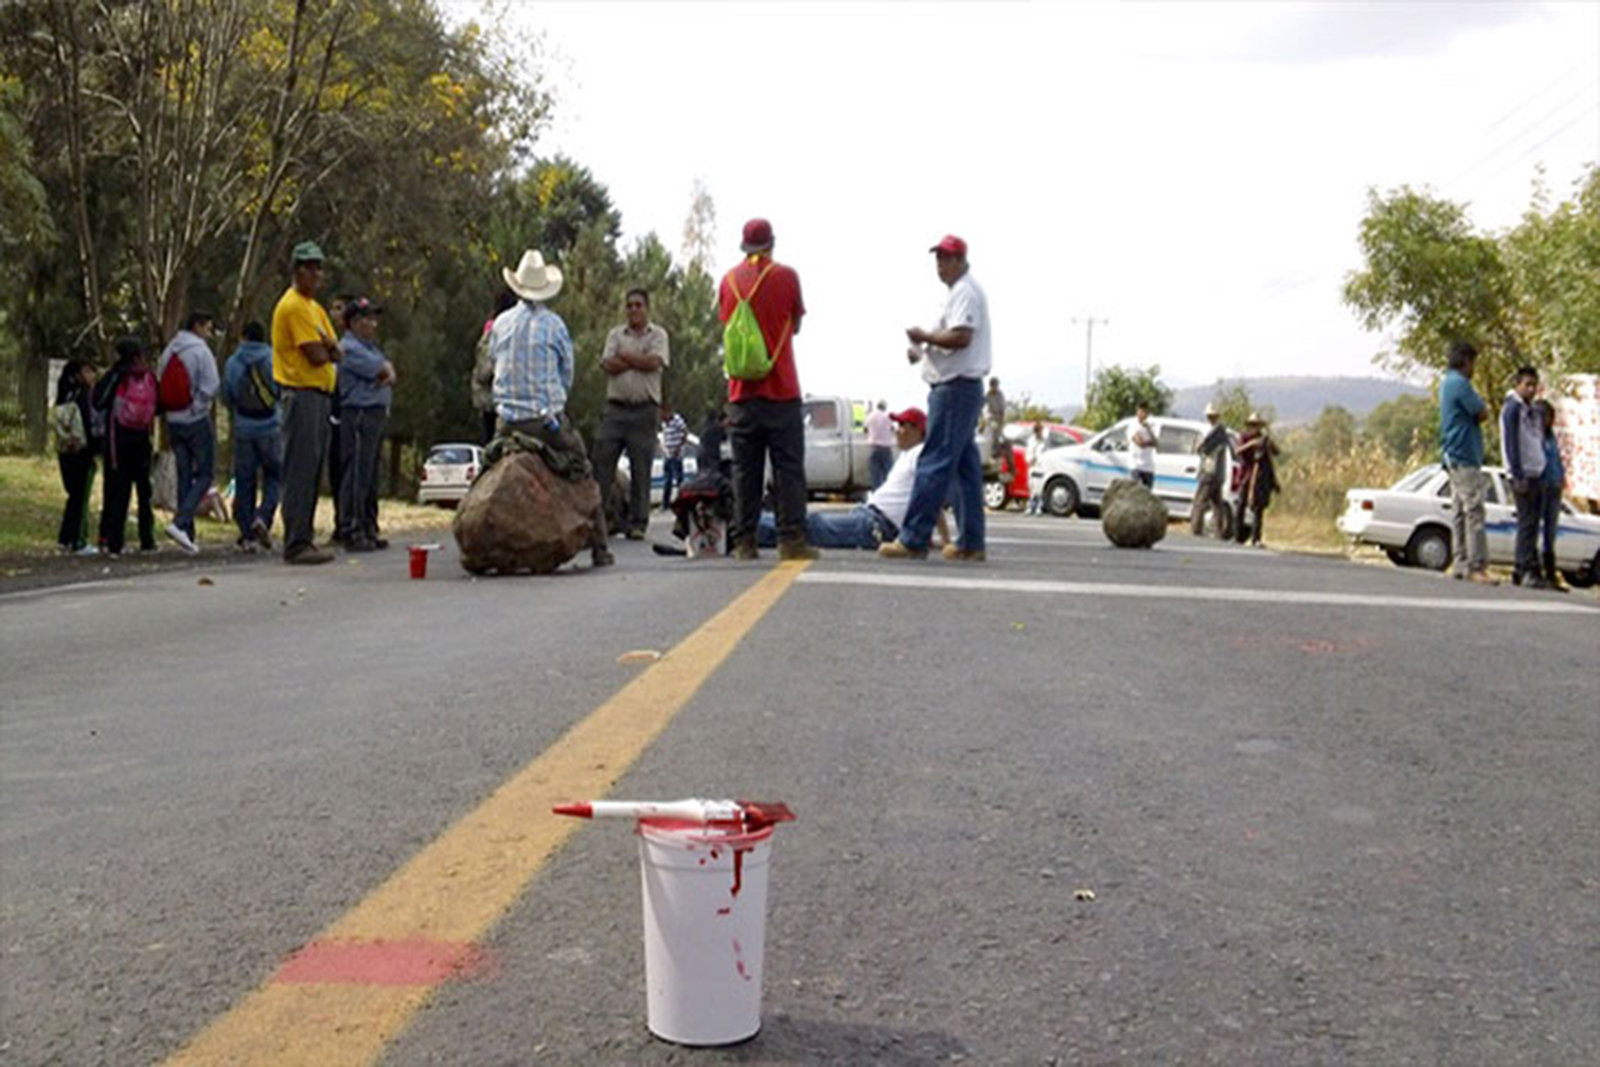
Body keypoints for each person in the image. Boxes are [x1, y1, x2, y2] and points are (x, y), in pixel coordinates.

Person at [490, 248, 613, 568]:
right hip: (546, 422)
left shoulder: (501, 324)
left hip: (506, 422)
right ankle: (601, 547)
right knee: (583, 469)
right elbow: (566, 374)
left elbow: (493, 364)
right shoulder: (555, 325)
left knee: (489, 461)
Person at [882, 234, 991, 563]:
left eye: (946, 258)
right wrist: (925, 350)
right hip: (958, 386)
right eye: (938, 258)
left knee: (935, 462)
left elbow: (961, 336)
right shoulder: (959, 293)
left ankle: (914, 538)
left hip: (955, 387)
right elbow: (953, 337)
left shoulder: (964, 293)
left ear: (960, 261)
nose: (940, 265)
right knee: (965, 467)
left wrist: (924, 337)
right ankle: (971, 541)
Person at [718, 218, 816, 561]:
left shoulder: (728, 281)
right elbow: (796, 324)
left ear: (744, 246)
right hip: (782, 389)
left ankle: (745, 541)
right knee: (788, 468)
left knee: (745, 471)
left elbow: (727, 324)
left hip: (741, 394)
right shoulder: (786, 277)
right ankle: (791, 540)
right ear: (771, 243)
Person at [757, 408, 949, 548]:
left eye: (902, 425)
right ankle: (749, 524)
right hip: (869, 516)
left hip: (877, 525)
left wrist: (945, 540)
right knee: (810, 524)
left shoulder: (920, 453)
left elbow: (932, 496)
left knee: (810, 528)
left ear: (917, 431)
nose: (896, 430)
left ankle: (749, 527)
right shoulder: (907, 454)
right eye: (897, 425)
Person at [271, 240, 341, 565]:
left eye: (318, 268)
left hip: (320, 396)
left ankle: (305, 536)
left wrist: (328, 347)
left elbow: (338, 351)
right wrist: (326, 347)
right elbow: (316, 356)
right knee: (299, 468)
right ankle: (296, 541)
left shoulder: (316, 308)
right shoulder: (294, 305)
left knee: (312, 468)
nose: (315, 274)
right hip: (301, 394)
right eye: (308, 267)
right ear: (296, 270)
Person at [594, 288, 670, 540]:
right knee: (602, 463)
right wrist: (638, 359)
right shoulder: (615, 334)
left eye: (638, 305)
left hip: (644, 410)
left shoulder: (658, 335)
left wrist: (624, 357)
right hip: (615, 408)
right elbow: (607, 365)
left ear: (647, 308)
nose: (633, 310)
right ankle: (597, 520)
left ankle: (638, 523)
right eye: (629, 306)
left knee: (641, 468)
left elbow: (654, 363)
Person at [336, 297, 395, 552]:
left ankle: (369, 525)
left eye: (374, 319)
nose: (372, 324)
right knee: (357, 470)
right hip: (359, 412)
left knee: (371, 473)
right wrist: (386, 371)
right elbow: (383, 371)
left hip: (375, 412)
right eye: (366, 319)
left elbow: (388, 370)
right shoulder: (349, 347)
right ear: (352, 323)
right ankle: (352, 527)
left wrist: (387, 371)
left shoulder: (370, 347)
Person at [92, 337, 159, 557]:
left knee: (118, 491)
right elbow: (158, 406)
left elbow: (98, 400)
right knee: (143, 490)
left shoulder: (116, 376)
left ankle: (114, 540)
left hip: (118, 441)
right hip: (142, 439)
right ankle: (147, 539)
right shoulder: (148, 376)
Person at [1439, 340, 1495, 584]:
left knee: (1459, 512)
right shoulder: (1461, 384)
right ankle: (1476, 565)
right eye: (1473, 363)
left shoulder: (1446, 382)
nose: (1474, 369)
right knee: (1474, 510)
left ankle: (1460, 562)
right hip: (1464, 454)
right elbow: (1482, 412)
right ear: (1466, 362)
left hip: (1452, 454)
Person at [223, 321, 282, 553]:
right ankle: (263, 517)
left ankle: (246, 534)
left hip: (243, 427)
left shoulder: (233, 362)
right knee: (274, 476)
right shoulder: (272, 358)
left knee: (245, 480)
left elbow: (226, 394)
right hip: (270, 426)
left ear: (244, 337)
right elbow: (279, 389)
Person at [1501, 366, 1548, 588]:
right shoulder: (1513, 408)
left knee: (1532, 522)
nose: (1531, 389)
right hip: (1523, 473)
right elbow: (1511, 443)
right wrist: (1517, 473)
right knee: (1527, 522)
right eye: (1527, 385)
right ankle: (1524, 566)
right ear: (1517, 384)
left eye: (1534, 385)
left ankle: (1525, 567)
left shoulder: (1533, 410)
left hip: (1536, 470)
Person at [53, 359, 100, 554]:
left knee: (73, 496)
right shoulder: (84, 396)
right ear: (79, 374)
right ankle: (79, 540)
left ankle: (65, 536)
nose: (92, 376)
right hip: (83, 451)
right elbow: (89, 424)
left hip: (65, 450)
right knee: (81, 497)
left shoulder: (64, 395)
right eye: (88, 371)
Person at [472, 290, 517, 445]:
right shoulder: (517, 328)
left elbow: (483, 368)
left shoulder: (491, 328)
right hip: (509, 400)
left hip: (491, 400)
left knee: (490, 444)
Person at [1534, 399, 1567, 592]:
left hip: (1554, 485)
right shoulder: (1535, 437)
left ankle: (1550, 570)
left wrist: (1561, 476)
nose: (1547, 421)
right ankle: (1536, 567)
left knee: (1551, 529)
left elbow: (1556, 458)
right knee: (1537, 527)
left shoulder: (1551, 436)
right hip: (1541, 484)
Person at [1232, 412, 1278, 546]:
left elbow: (1275, 453)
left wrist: (1269, 444)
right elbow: (1237, 451)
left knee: (1258, 508)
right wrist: (1251, 444)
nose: (1255, 427)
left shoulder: (1263, 439)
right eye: (1253, 425)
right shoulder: (1244, 437)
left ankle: (1256, 538)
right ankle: (1236, 535)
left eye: (1257, 425)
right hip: (1246, 475)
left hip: (1258, 478)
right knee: (1241, 505)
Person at [1191, 402, 1231, 537]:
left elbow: (1204, 449)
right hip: (1218, 474)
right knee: (1217, 503)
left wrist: (1200, 447)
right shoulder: (1221, 432)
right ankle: (1219, 531)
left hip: (1209, 472)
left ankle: (1196, 529)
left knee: (1200, 501)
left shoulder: (1216, 432)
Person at [659, 401, 689, 512]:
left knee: (679, 479)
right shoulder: (664, 423)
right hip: (667, 455)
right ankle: (665, 503)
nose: (661, 417)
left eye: (662, 414)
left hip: (677, 455)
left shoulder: (677, 420)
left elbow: (685, 433)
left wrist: (679, 448)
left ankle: (682, 501)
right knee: (667, 480)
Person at [984, 377, 1013, 484]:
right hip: (991, 417)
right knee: (992, 432)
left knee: (1000, 435)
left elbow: (1002, 407)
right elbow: (985, 408)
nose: (995, 388)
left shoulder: (1000, 394)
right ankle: (993, 451)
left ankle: (997, 452)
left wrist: (1001, 416)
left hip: (999, 417)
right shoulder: (987, 395)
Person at [864, 400, 894, 490]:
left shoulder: (870, 416)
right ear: (884, 407)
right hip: (886, 447)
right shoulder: (887, 417)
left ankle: (876, 494)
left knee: (875, 475)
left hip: (873, 447)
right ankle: (888, 492)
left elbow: (865, 429)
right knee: (888, 473)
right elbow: (892, 428)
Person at [698, 406, 730, 481]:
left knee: (703, 477)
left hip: (701, 455)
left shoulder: (706, 427)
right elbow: (725, 438)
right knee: (713, 478)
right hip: (712, 457)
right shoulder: (718, 429)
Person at [1130, 403, 1157, 490]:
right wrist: (1148, 443)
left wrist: (1148, 429)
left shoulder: (1151, 426)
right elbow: (1139, 443)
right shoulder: (1133, 425)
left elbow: (1155, 443)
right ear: (1137, 412)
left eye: (1146, 412)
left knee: (1147, 494)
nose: (1143, 415)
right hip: (1136, 466)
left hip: (1148, 467)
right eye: (1141, 412)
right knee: (1135, 493)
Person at [1024, 421, 1048, 515]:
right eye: (1037, 431)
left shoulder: (1044, 441)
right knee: (1032, 486)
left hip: (1041, 466)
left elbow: (1045, 453)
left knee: (1040, 487)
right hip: (1032, 465)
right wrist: (1030, 459)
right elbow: (1028, 453)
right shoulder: (1031, 441)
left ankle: (1039, 506)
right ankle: (1031, 506)